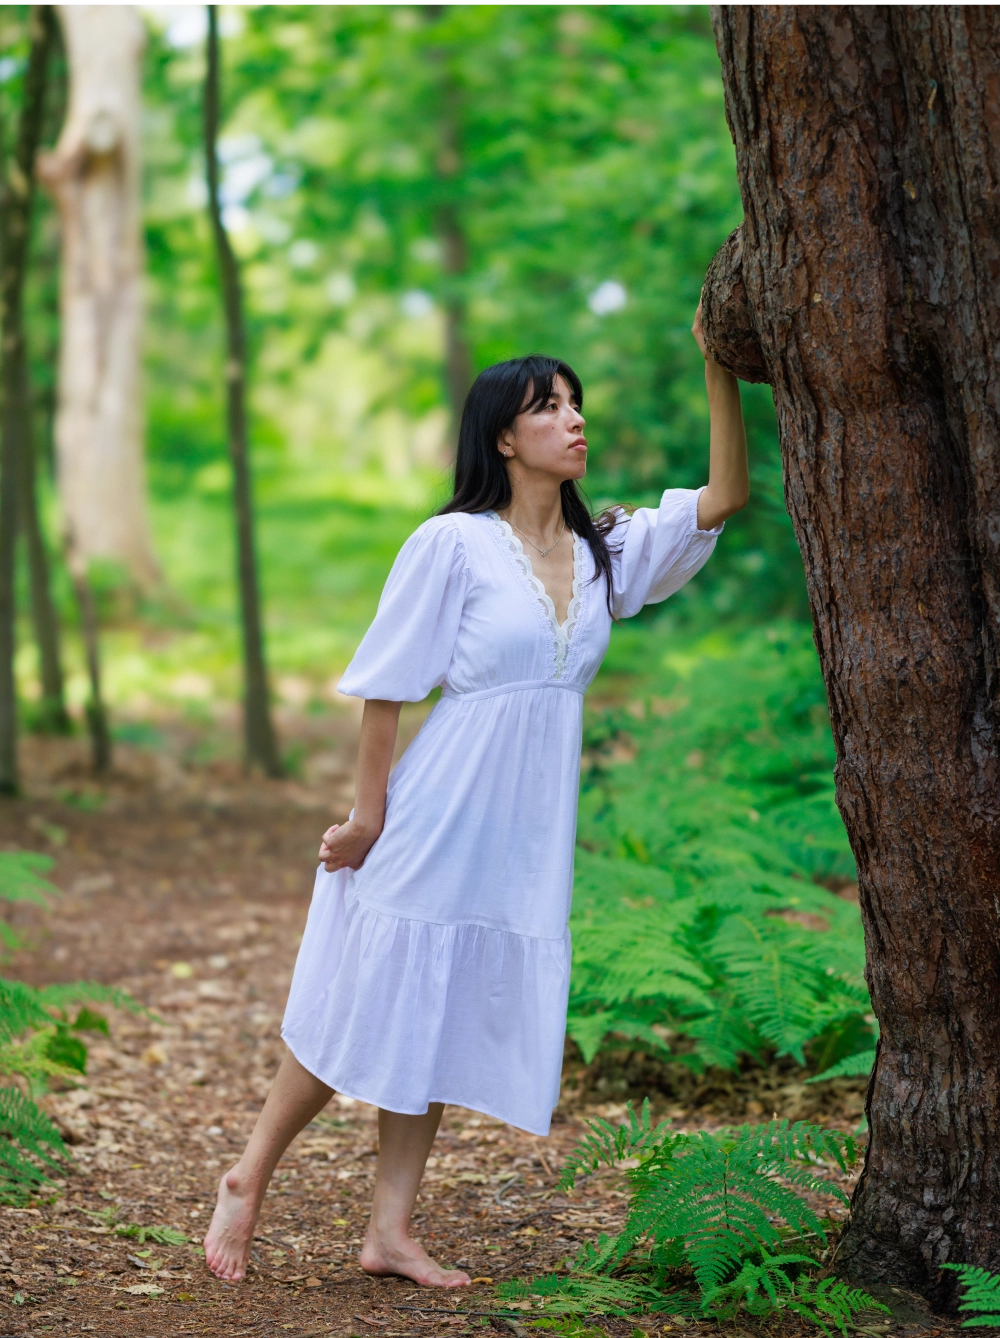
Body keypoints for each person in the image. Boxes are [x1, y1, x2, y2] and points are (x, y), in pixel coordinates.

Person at [204, 301, 748, 1288]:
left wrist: (719, 364)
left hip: (525, 828)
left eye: (578, 404)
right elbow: (386, 686)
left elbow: (723, 496)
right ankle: (247, 1176)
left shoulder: (601, 551)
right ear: (505, 436)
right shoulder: (450, 544)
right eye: (551, 408)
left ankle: (390, 1233)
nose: (575, 420)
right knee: (371, 994)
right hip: (438, 809)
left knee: (441, 1005)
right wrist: (368, 816)